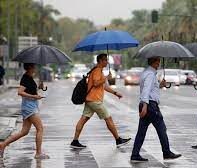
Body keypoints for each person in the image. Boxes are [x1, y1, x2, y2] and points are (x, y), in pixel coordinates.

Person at [70, 53, 131, 149]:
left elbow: (104, 86)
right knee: (108, 119)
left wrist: (115, 93)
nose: (107, 62)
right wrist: (106, 78)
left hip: (90, 100)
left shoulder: (98, 71)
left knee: (83, 119)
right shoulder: (97, 71)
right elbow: (96, 83)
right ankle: (118, 140)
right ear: (101, 61)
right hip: (95, 101)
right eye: (105, 60)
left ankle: (75, 141)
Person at [130, 57, 181, 162]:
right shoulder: (150, 74)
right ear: (153, 62)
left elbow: (151, 88)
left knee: (141, 132)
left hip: (146, 105)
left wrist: (159, 85)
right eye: (157, 61)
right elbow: (146, 89)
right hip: (150, 106)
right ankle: (166, 153)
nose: (159, 63)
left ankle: (135, 154)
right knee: (162, 128)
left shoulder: (147, 72)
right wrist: (145, 105)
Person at [0, 63, 49, 159]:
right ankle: (38, 153)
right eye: (34, 66)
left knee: (24, 131)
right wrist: (34, 96)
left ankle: (3, 144)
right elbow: (20, 92)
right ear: (30, 67)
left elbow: (30, 90)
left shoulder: (29, 78)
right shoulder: (25, 78)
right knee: (40, 129)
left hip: (30, 106)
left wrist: (40, 87)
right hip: (29, 107)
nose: (35, 68)